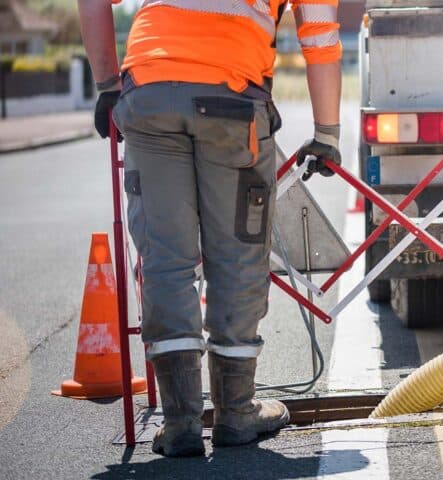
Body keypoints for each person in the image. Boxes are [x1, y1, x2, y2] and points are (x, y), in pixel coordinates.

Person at [77, 0, 343, 457]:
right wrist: (328, 133)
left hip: (149, 93)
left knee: (165, 258)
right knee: (237, 255)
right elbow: (320, 39)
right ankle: (236, 412)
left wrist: (106, 85)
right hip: (231, 100)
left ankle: (180, 422)